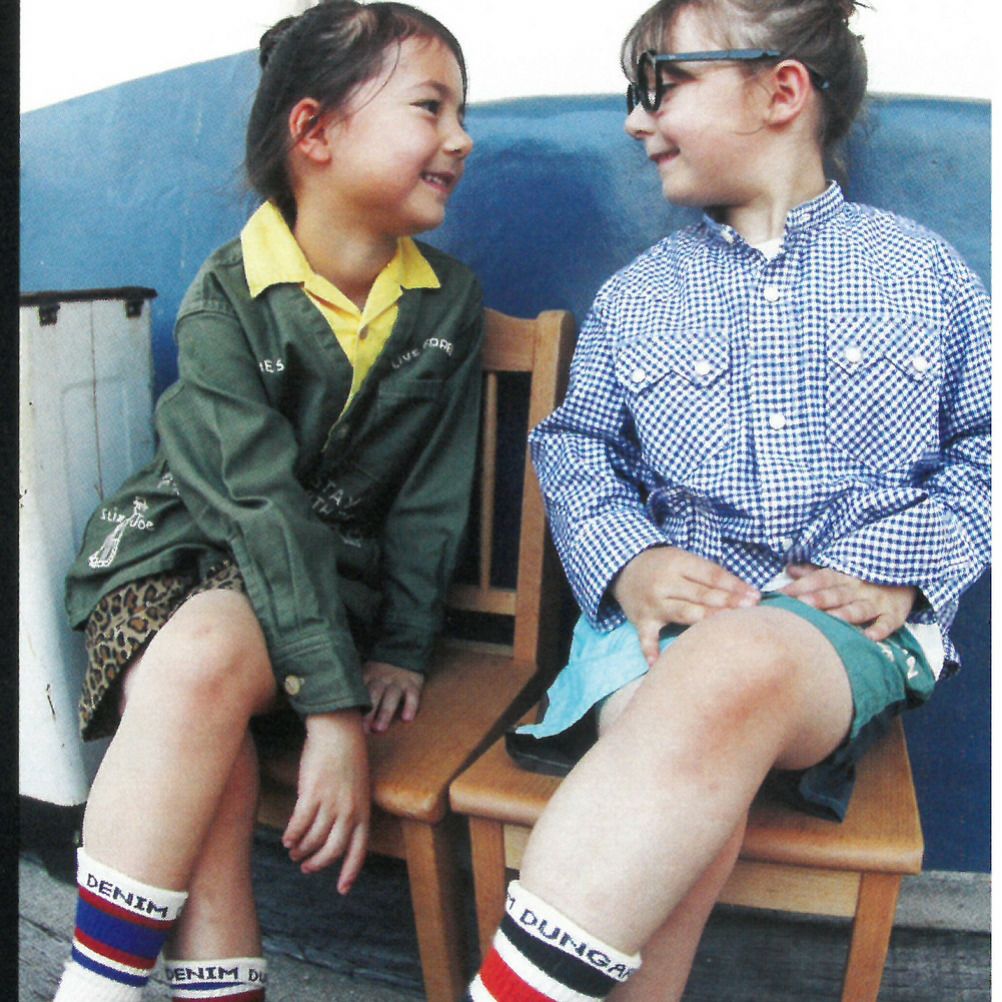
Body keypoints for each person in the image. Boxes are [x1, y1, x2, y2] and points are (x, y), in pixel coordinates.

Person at [465, 1, 990, 999]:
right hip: (657, 638)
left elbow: (987, 447)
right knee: (678, 783)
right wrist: (630, 560)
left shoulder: (925, 275)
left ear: (780, 91)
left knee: (732, 671)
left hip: (833, 639)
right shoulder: (639, 296)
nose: (635, 118)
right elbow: (575, 448)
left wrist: (909, 567)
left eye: (662, 85)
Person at [54, 3, 479, 999]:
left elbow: (431, 495)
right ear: (315, 132)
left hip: (310, 594)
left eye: (465, 112)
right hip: (175, 558)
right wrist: (332, 713)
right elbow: (256, 508)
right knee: (201, 673)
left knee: (206, 704)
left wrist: (402, 645)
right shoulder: (225, 298)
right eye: (431, 107)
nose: (461, 138)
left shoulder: (448, 299)